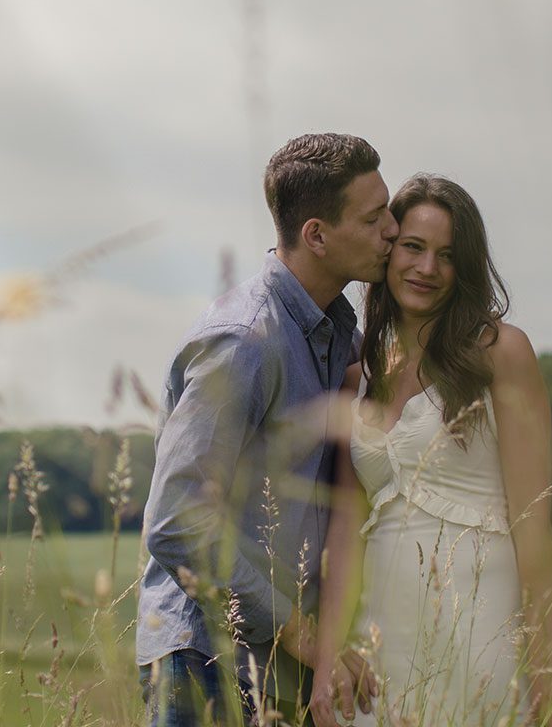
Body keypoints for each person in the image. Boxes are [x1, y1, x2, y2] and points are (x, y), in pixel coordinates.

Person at [137, 133, 398, 726]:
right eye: (374, 215)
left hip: (280, 672)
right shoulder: (243, 342)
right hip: (205, 662)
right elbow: (177, 521)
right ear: (317, 235)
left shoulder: (339, 337)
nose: (391, 228)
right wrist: (306, 637)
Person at [309, 174, 552, 727]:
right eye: (413, 247)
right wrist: (328, 658)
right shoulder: (357, 377)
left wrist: (547, 666)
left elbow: (533, 524)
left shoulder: (501, 353)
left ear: (465, 268)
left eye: (447, 255)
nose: (427, 269)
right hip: (378, 639)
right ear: (388, 247)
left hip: (479, 631)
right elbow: (342, 531)